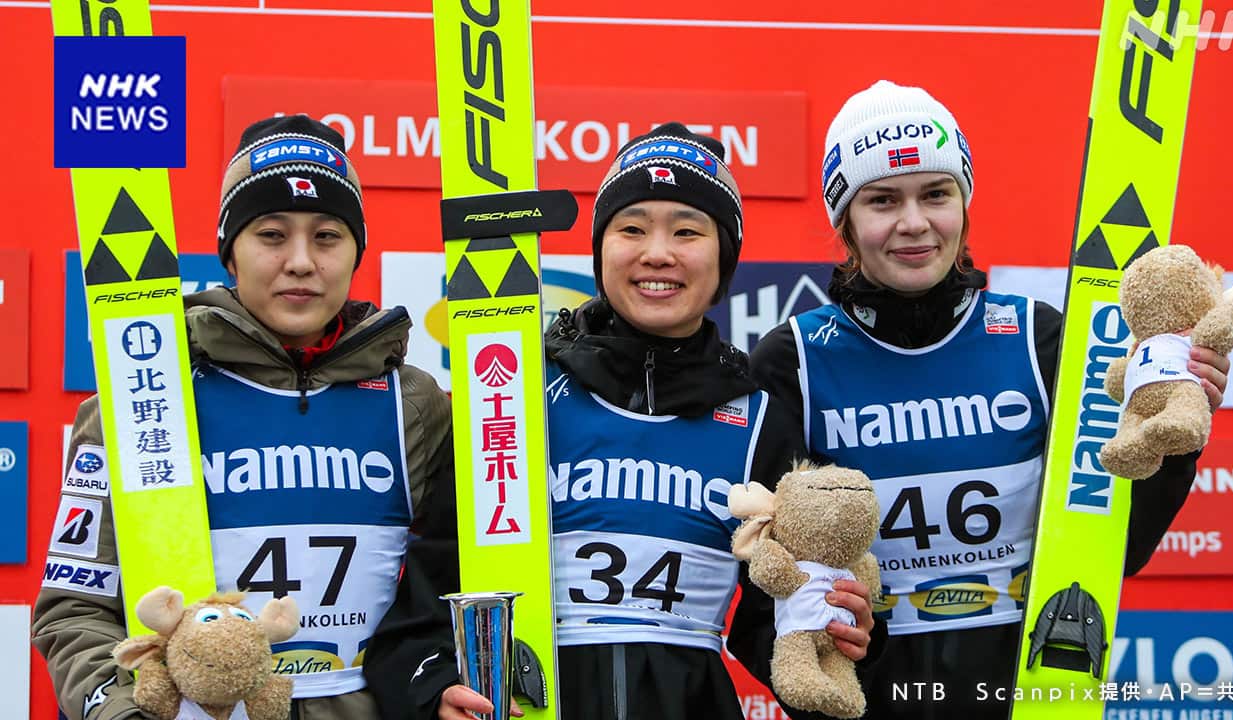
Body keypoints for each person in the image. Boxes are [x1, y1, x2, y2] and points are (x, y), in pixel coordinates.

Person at [729, 80, 1232, 719]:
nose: (914, 223)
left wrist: (1173, 427)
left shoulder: (1040, 339)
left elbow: (1119, 544)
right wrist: (847, 653)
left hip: (1032, 698)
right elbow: (760, 605)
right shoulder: (792, 361)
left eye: (936, 193)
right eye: (883, 200)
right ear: (846, 222)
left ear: (964, 203)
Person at [363, 123, 868, 720]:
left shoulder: (759, 420)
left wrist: (831, 630)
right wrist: (433, 687)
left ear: (724, 257)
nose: (658, 253)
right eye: (632, 229)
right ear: (601, 250)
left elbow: (772, 624)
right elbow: (428, 598)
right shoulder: (517, 401)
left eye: (687, 231)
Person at [32, 115, 456, 719]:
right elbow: (74, 606)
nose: (301, 262)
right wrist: (122, 711)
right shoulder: (147, 396)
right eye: (272, 235)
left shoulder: (414, 403)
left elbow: (445, 589)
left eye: (328, 236)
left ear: (356, 250)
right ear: (230, 252)